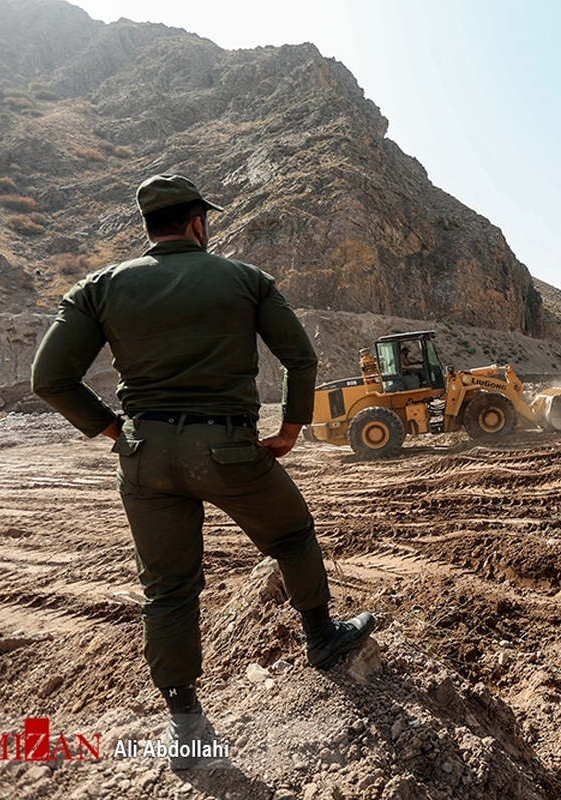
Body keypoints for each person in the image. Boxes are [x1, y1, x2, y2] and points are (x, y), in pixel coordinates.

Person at [30, 174, 375, 770]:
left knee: (166, 588)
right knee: (291, 536)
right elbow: (301, 356)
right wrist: (290, 430)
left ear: (149, 229)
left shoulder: (100, 288)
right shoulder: (245, 280)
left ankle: (186, 720)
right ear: (198, 223)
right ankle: (321, 637)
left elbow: (49, 379)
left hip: (146, 456)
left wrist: (116, 430)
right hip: (231, 451)